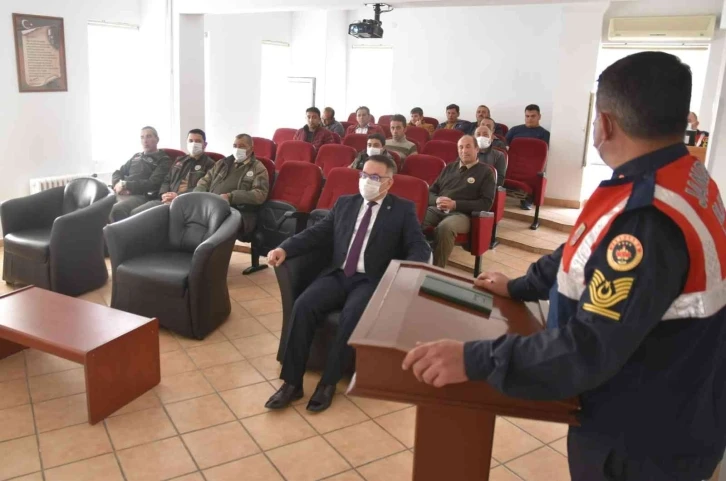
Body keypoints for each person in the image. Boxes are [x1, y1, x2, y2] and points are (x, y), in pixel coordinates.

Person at [402, 51, 726, 481]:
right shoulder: (682, 177)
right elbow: (581, 247)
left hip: (642, 435)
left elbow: (589, 346)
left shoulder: (646, 218)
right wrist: (519, 286)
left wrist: (475, 359)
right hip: (667, 400)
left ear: (604, 124)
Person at [265, 155, 431, 412]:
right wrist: (284, 248)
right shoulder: (345, 203)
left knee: (352, 316)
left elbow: (418, 246)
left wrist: (409, 272)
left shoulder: (402, 210)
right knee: (303, 305)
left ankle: (328, 383)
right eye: (364, 175)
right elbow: (317, 233)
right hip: (338, 274)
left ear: (389, 182)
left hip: (370, 279)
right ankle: (292, 383)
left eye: (374, 177)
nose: (366, 181)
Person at [423, 135, 496, 268]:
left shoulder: (486, 172)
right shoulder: (449, 167)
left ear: (477, 149)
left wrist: (455, 204)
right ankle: (415, 260)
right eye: (460, 147)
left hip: (463, 214)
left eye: (468, 147)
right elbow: (430, 192)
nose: (464, 151)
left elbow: (486, 203)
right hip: (437, 209)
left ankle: (435, 270)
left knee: (445, 228)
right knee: (414, 218)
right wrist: (437, 199)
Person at [194, 134, 269, 233]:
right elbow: (204, 181)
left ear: (251, 149)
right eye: (235, 146)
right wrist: (198, 195)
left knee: (211, 226)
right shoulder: (222, 163)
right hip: (211, 206)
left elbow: (260, 194)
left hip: (239, 212)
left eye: (242, 146)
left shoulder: (258, 168)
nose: (237, 149)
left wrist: (231, 197)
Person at [130, 129, 215, 215]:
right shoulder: (179, 160)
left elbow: (204, 188)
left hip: (187, 203)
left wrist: (178, 195)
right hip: (165, 200)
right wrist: (163, 194)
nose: (193, 144)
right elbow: (167, 180)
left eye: (197, 141)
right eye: (190, 141)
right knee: (135, 213)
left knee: (138, 214)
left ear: (205, 144)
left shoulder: (211, 165)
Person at [110, 126, 172, 222]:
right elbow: (118, 172)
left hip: (142, 195)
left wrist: (126, 185)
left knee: (117, 209)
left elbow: (152, 184)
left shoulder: (164, 160)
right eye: (142, 137)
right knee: (99, 205)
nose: (145, 141)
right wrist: (117, 184)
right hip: (123, 191)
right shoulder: (137, 156)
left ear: (157, 139)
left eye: (149, 136)